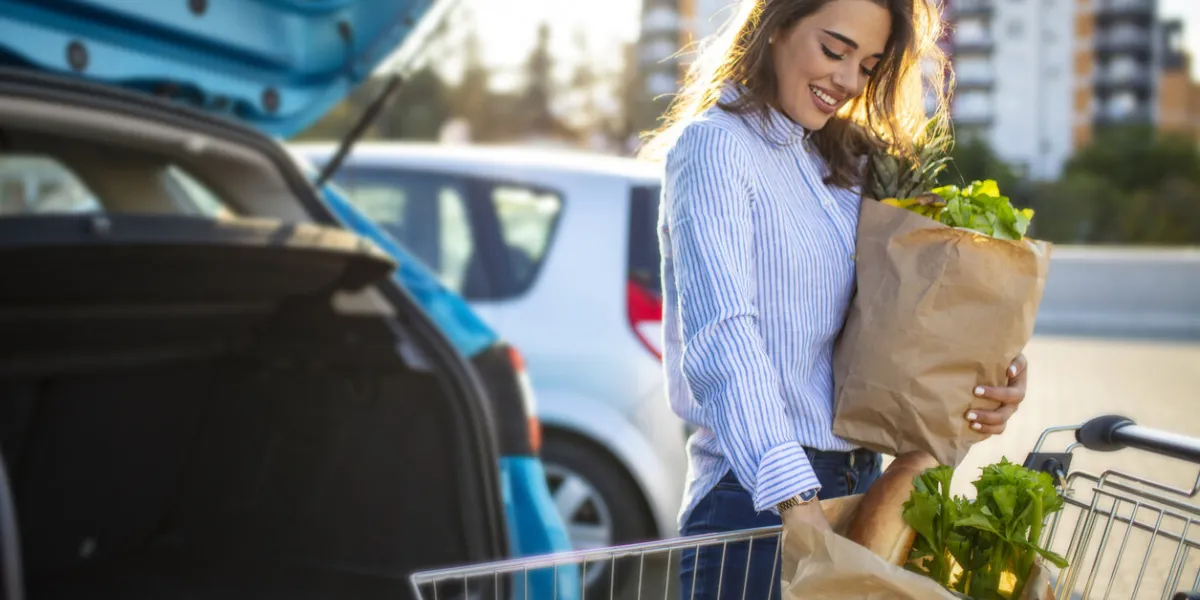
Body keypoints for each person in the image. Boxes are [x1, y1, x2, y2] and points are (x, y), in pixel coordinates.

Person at [637, 0, 1030, 598]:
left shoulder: (836, 163)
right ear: (775, 29)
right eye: (834, 50)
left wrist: (986, 381)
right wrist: (797, 503)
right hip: (760, 504)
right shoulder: (716, 147)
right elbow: (723, 336)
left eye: (867, 65)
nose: (848, 81)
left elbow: (887, 325)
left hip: (861, 484)